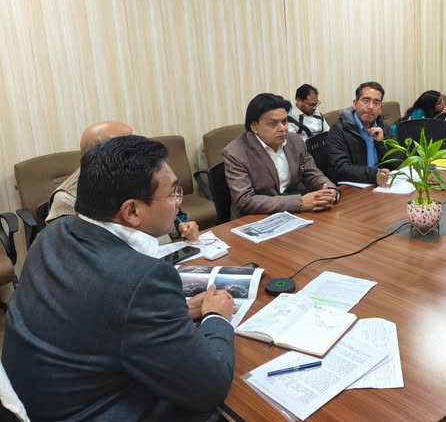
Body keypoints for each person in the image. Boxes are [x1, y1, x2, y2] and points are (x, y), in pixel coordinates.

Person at [2, 136, 236, 421]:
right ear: (132, 211)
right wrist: (216, 317)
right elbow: (210, 387)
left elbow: (97, 312)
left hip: (39, 401)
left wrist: (180, 311)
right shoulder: (142, 279)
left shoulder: (52, 235)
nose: (179, 202)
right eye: (174, 193)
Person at [45, 121, 199, 241]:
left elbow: (164, 208)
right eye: (128, 145)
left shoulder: (140, 173)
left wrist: (180, 226)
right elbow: (75, 252)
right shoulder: (66, 198)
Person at [224, 93, 339, 218]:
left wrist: (329, 190)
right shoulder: (235, 153)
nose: (282, 128)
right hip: (255, 218)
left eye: (284, 121)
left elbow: (312, 172)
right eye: (273, 124)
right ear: (255, 127)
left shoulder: (295, 140)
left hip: (293, 214)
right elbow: (245, 200)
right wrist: (299, 202)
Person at [327, 81, 398, 185]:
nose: (371, 107)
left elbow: (397, 162)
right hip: (354, 188)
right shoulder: (339, 130)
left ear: (380, 108)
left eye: (376, 102)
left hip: (382, 184)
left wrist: (381, 143)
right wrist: (375, 174)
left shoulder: (384, 127)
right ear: (355, 104)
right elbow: (340, 168)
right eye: (366, 101)